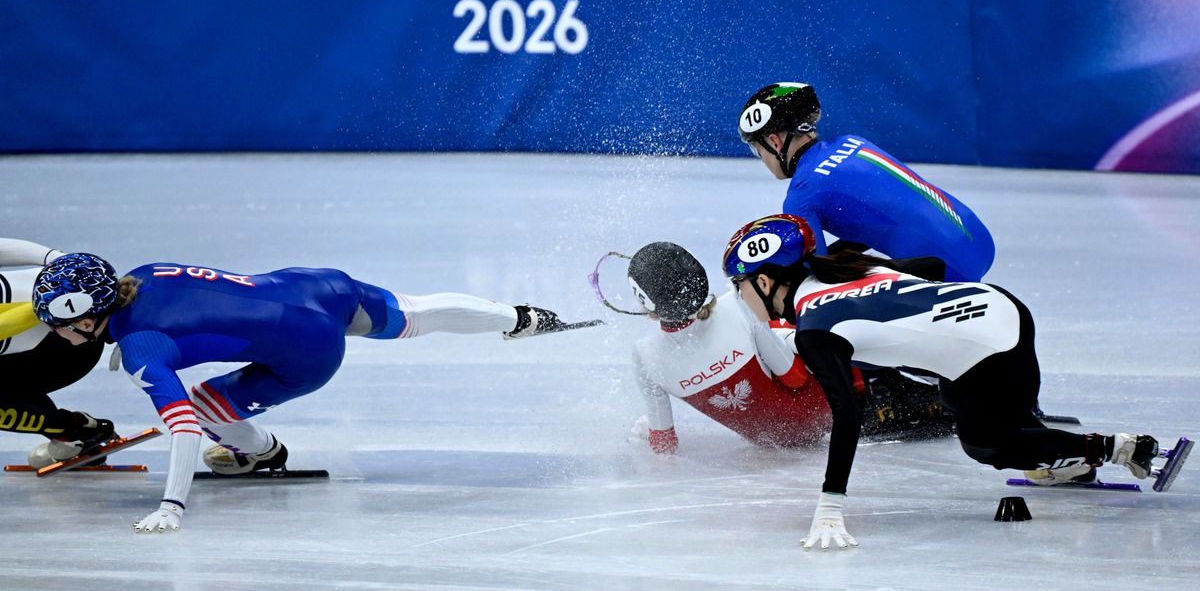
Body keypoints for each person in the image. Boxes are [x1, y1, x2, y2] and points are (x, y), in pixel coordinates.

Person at [32, 253, 574, 535]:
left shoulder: (141, 348)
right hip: (314, 285)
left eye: (54, 323)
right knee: (416, 314)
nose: (51, 333)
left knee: (199, 405)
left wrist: (172, 506)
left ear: (86, 314)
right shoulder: (141, 274)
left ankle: (261, 452)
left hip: (309, 353)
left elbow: (184, 429)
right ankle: (522, 317)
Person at [720, 214, 1162, 551]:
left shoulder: (815, 329)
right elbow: (930, 264)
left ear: (763, 280)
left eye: (740, 287)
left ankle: (1118, 447)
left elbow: (849, 416)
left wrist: (830, 506)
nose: (740, 298)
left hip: (990, 355)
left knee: (987, 444)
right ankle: (1064, 450)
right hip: (1003, 311)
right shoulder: (845, 270)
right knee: (968, 406)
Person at [614, 241, 949, 454]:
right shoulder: (737, 308)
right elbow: (793, 377)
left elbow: (664, 443)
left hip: (779, 440)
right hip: (839, 405)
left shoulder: (644, 357)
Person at [737, 82, 995, 282]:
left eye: (756, 149)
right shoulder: (853, 142)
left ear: (774, 142)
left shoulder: (802, 194)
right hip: (979, 239)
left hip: (946, 272)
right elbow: (873, 219)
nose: (761, 158)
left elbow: (815, 277)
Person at [0, 238, 115, 467]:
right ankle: (72, 431)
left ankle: (74, 430)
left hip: (69, 347)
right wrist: (52, 258)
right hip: (62, 327)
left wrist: (54, 259)